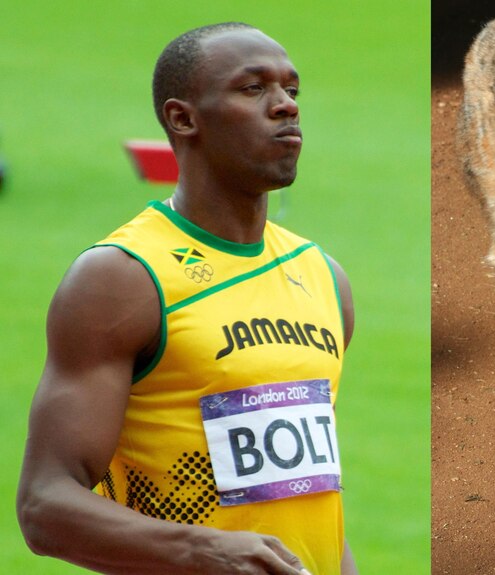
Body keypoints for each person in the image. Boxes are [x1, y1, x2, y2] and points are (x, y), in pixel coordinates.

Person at [17, 23, 359, 575]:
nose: (285, 108)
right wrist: (201, 549)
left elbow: (310, 496)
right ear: (183, 118)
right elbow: (44, 505)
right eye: (254, 89)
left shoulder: (323, 277)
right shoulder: (123, 278)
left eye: (291, 91)